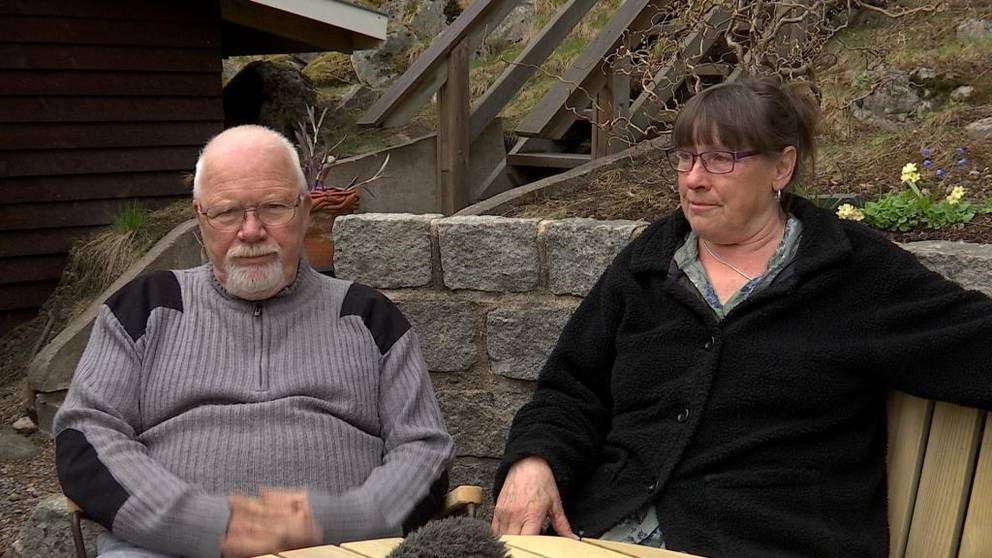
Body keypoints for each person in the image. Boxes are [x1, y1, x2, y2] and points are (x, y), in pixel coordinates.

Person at [490, 76, 992, 557]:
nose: (694, 179)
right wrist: (535, 460)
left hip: (766, 540)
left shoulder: (850, 273)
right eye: (685, 157)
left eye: (720, 159)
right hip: (599, 533)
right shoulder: (650, 263)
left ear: (781, 168)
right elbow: (571, 388)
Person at [54, 125, 454, 558]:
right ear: (200, 219)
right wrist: (206, 524)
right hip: (166, 549)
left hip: (342, 548)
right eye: (227, 212)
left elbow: (424, 449)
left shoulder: (368, 316)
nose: (251, 230)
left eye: (273, 207)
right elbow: (85, 434)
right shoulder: (144, 308)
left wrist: (344, 519)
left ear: (305, 210)